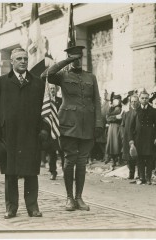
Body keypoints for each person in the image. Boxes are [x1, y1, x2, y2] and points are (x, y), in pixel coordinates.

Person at [41, 46, 102, 211]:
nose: (77, 61)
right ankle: (69, 197)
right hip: (68, 124)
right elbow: (45, 75)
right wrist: (66, 61)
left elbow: (96, 100)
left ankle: (79, 197)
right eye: (73, 58)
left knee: (82, 162)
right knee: (69, 160)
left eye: (78, 58)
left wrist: (98, 123)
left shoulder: (91, 77)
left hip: (87, 125)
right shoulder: (62, 75)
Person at [0, 48, 45, 219]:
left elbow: (45, 109)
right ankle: (11, 207)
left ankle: (32, 207)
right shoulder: (1, 82)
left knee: (31, 172)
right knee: (10, 173)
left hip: (30, 135)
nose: (23, 61)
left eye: (25, 59)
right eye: (19, 59)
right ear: (12, 61)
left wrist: (44, 130)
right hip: (8, 136)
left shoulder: (38, 83)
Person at [129, 91, 156, 185]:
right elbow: (131, 127)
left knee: (150, 159)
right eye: (142, 98)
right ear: (139, 99)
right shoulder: (135, 111)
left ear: (148, 99)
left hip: (150, 138)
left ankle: (148, 178)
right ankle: (142, 177)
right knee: (140, 159)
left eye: (146, 98)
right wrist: (131, 141)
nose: (144, 100)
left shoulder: (153, 111)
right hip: (138, 138)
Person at [42, 84, 64, 180]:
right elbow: (43, 117)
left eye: (53, 88)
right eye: (50, 89)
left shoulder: (61, 101)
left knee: (63, 152)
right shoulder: (45, 103)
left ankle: (65, 171)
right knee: (52, 153)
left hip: (60, 131)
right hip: (50, 131)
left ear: (57, 89)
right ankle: (53, 172)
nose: (52, 90)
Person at [121, 94, 139, 180]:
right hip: (127, 137)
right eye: (132, 101)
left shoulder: (140, 112)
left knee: (137, 156)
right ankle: (131, 174)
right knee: (129, 157)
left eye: (135, 101)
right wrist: (123, 136)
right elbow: (123, 125)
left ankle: (139, 174)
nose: (134, 103)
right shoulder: (127, 113)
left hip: (137, 137)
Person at [105, 94, 123, 168]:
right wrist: (115, 117)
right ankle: (113, 160)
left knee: (117, 143)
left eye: (118, 100)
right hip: (111, 128)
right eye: (115, 100)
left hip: (117, 127)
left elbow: (121, 118)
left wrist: (112, 118)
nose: (117, 101)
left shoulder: (121, 108)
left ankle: (119, 159)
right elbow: (107, 118)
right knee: (111, 143)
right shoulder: (111, 108)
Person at [92, 89, 110, 162]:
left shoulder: (108, 103)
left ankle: (107, 156)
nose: (104, 95)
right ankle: (103, 155)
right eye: (102, 93)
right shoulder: (98, 103)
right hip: (99, 125)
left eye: (105, 93)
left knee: (105, 141)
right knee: (99, 141)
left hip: (106, 124)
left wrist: (108, 122)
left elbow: (109, 113)